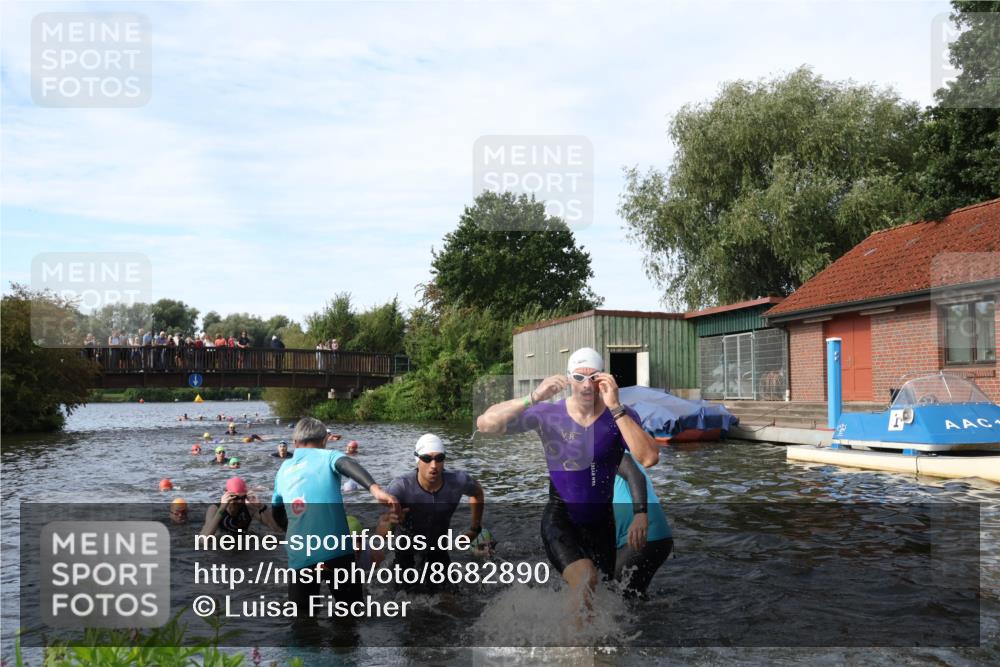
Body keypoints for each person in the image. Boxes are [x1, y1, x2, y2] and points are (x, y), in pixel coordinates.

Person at [476, 347, 658, 618]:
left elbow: (648, 458)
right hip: (561, 518)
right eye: (579, 377)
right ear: (569, 379)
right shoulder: (548, 414)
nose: (586, 385)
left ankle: (591, 651)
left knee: (599, 597)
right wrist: (533, 397)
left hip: (602, 522)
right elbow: (485, 424)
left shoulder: (621, 414)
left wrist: (616, 407)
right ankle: (573, 653)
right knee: (585, 579)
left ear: (604, 379)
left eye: (593, 377)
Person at [270, 417, 399, 620]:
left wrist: (291, 530)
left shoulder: (283, 470)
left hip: (300, 554)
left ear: (295, 443)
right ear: (324, 441)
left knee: (303, 622)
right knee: (351, 618)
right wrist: (375, 489)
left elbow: (277, 512)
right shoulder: (328, 456)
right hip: (335, 550)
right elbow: (347, 464)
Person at [385, 434, 485, 590]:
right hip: (407, 556)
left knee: (451, 604)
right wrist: (391, 522)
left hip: (439, 553)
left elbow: (477, 493)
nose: (434, 465)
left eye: (439, 458)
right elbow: (381, 531)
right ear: (417, 460)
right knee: (407, 607)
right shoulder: (401, 487)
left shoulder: (457, 481)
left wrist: (474, 529)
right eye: (427, 458)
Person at [613, 451, 673, 598]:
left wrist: (640, 513)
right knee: (631, 597)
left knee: (611, 592)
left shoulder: (607, 447)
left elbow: (635, 475)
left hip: (645, 533)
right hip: (648, 535)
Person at [201, 476, 278, 537]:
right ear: (227, 495)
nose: (240, 501)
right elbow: (203, 540)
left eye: (243, 497)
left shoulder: (249, 509)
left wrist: (261, 506)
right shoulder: (214, 509)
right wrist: (222, 508)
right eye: (236, 498)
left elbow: (277, 530)